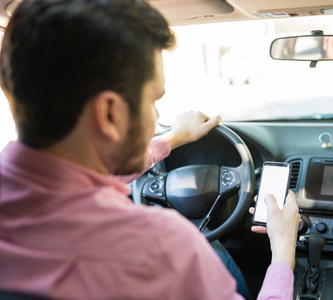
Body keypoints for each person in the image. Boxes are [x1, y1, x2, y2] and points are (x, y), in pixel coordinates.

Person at [0, 0, 300, 299]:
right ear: (109, 113)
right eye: (153, 100)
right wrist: (283, 251)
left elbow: (98, 176)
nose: (157, 117)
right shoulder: (162, 249)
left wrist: (174, 139)